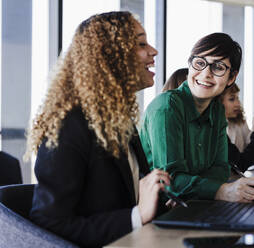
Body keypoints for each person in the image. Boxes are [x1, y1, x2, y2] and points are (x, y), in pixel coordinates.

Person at [25, 11, 171, 247]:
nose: (153, 51)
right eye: (141, 44)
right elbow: (48, 224)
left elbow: (124, 197)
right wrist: (138, 215)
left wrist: (159, 203)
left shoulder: (117, 119)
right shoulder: (69, 127)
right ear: (110, 56)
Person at [140, 33, 254, 204]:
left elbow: (221, 169)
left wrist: (191, 187)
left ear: (231, 77)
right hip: (160, 213)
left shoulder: (216, 110)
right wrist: (220, 190)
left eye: (218, 67)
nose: (205, 74)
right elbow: (170, 180)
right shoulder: (167, 107)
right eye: (199, 63)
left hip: (196, 204)